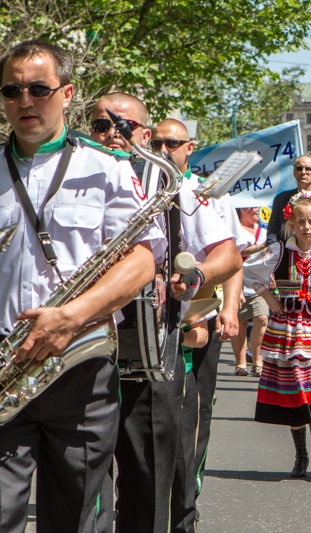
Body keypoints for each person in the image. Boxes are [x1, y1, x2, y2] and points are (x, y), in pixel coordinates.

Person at [0, 41, 166, 532]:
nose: (24, 101)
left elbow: (141, 261)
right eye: (11, 91)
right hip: (6, 367)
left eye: (38, 89)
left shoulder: (107, 168)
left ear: (67, 93)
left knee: (76, 520)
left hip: (81, 369)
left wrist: (71, 316)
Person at [92, 95, 241, 533]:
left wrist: (194, 280)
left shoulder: (175, 187)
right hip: (82, 352)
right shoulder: (72, 177)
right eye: (100, 126)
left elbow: (228, 254)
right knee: (86, 480)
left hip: (152, 352)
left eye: (120, 126)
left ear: (141, 134)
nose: (109, 135)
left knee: (150, 477)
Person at [243, 191, 311, 477]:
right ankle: (301, 455)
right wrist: (267, 295)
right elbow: (248, 271)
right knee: (296, 389)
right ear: (291, 223)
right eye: (301, 221)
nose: (307, 227)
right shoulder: (278, 251)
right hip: (287, 328)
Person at [231, 207, 269, 376]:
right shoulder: (234, 230)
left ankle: (257, 360)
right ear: (241, 209)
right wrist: (258, 247)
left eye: (256, 207)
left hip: (259, 284)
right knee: (239, 323)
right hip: (238, 282)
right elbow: (233, 252)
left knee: (262, 318)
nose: (256, 210)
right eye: (251, 207)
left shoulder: (264, 232)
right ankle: (241, 364)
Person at [266, 154, 311, 245]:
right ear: (294, 172)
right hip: (287, 253)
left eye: (308, 169)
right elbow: (273, 232)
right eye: (299, 168)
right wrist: (276, 253)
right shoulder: (281, 199)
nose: (303, 172)